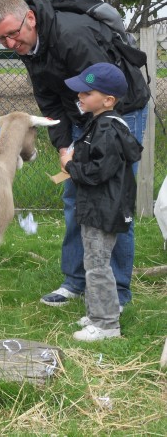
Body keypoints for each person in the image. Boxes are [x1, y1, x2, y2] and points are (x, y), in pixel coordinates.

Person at [0, 0, 149, 309]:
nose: (9, 44)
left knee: (113, 202)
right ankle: (75, 281)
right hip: (80, 112)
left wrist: (85, 147)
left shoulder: (73, 37)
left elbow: (103, 96)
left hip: (119, 110)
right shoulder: (27, 46)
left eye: (12, 34)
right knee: (75, 197)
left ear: (30, 19)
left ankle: (116, 292)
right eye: (1, 39)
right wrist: (65, 147)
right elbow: (49, 100)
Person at [61, 63, 142, 341]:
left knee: (97, 265)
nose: (80, 96)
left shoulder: (107, 130)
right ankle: (99, 311)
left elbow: (97, 173)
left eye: (87, 92)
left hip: (102, 210)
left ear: (108, 100)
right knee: (94, 261)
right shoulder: (100, 123)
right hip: (97, 208)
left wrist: (70, 166)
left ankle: (106, 324)